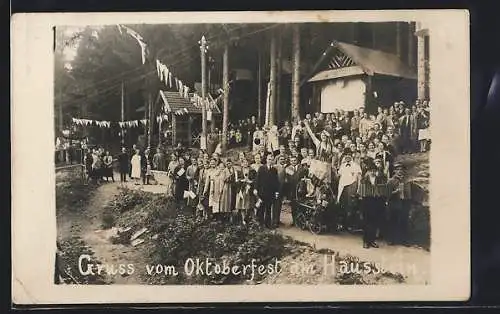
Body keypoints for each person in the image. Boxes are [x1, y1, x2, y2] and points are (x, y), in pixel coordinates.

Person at [357, 160, 387, 248]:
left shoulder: (379, 179)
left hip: (376, 202)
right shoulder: (364, 179)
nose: (373, 172)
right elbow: (361, 193)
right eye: (371, 171)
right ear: (368, 171)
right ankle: (366, 241)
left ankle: (372, 240)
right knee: (366, 222)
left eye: (374, 170)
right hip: (367, 202)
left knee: (374, 222)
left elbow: (383, 191)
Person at [386, 162, 413, 246]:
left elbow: (409, 193)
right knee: (393, 221)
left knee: (404, 221)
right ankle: (391, 239)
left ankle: (404, 240)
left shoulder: (407, 181)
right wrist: (395, 192)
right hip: (394, 203)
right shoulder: (391, 181)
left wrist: (408, 201)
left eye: (401, 169)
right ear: (394, 171)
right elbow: (387, 194)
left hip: (405, 203)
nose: (400, 171)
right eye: (398, 169)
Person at [336, 153, 362, 230]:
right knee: (343, 204)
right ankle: (343, 224)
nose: (347, 157)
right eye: (345, 156)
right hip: (343, 187)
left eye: (349, 155)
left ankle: (351, 225)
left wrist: (358, 189)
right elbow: (339, 176)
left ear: (352, 156)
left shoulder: (356, 166)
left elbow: (359, 178)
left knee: (351, 205)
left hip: (352, 186)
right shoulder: (342, 165)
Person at [254, 154, 280, 228]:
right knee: (261, 209)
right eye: (269, 159)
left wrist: (276, 191)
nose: (270, 161)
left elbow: (276, 182)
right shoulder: (262, 168)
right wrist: (256, 189)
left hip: (270, 193)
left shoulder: (274, 170)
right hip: (262, 192)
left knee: (268, 209)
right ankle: (260, 224)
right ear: (266, 160)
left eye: (272, 160)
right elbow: (257, 180)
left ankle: (268, 224)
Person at [235, 157, 257, 225]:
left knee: (251, 205)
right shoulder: (239, 171)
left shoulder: (252, 170)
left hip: (250, 189)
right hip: (242, 190)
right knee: (242, 206)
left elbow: (256, 180)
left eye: (246, 162)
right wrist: (242, 180)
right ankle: (243, 219)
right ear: (241, 163)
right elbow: (236, 181)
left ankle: (253, 219)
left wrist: (250, 181)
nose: (245, 164)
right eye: (244, 162)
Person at [220, 158, 237, 222]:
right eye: (227, 164)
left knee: (233, 200)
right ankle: (226, 215)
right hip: (227, 187)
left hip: (233, 187)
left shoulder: (234, 170)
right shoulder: (224, 171)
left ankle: (232, 216)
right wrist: (229, 176)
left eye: (229, 163)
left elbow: (236, 178)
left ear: (231, 163)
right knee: (227, 201)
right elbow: (223, 179)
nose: (228, 165)